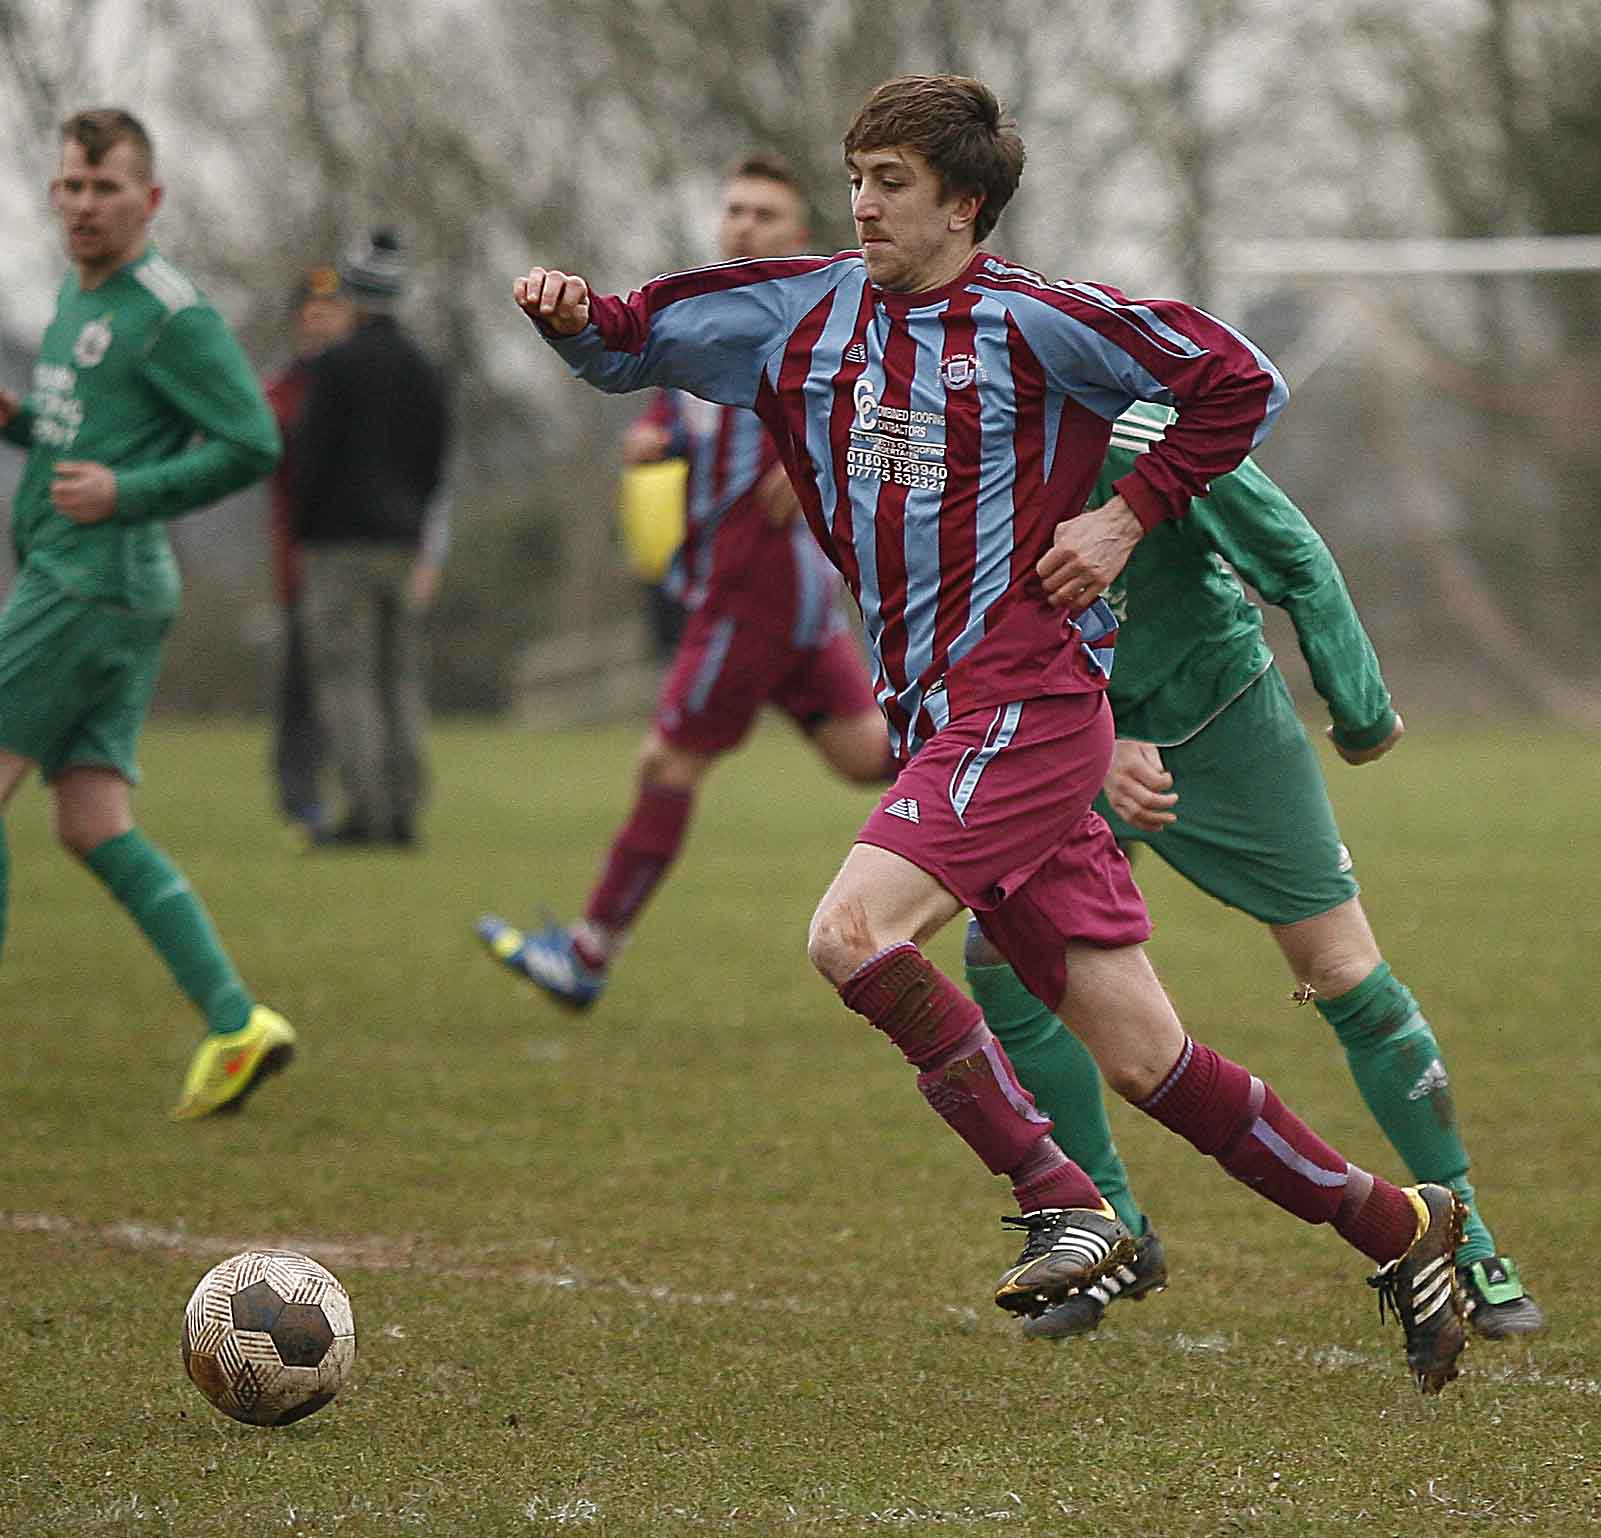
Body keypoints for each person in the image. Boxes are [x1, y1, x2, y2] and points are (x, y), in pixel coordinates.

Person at [511, 73, 1480, 1395]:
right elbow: (631, 339)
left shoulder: (1040, 320)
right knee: (1148, 1058)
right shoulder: (804, 311)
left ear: (965, 202)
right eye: (853, 176)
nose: (860, 205)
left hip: (1023, 702)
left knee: (848, 933)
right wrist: (569, 315)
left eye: (890, 182)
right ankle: (1400, 1222)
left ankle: (1059, 1197)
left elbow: (1233, 379)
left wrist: (1127, 514)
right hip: (946, 719)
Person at [963, 399, 1544, 1341]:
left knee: (1337, 967)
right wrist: (1100, 740)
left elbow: (1297, 561)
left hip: (1222, 716)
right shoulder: (951, 456)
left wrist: (1358, 712)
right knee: (1003, 956)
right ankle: (1110, 1227)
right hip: (1069, 730)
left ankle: (1462, 1231)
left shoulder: (1145, 438)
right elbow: (950, 625)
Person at [478, 156, 894, 1008]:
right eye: (733, 209)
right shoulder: (713, 324)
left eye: (763, 215)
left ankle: (587, 955)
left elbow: (880, 401)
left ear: (798, 237)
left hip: (755, 588)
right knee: (869, 756)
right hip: (786, 597)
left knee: (667, 762)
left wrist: (827, 455)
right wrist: (655, 442)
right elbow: (669, 399)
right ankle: (1045, 788)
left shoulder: (812, 325)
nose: (742, 225)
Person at [0, 108, 295, 1120]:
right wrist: (23, 424)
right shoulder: (79, 297)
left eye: (106, 188)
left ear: (151, 199)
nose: (84, 205)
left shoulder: (172, 312)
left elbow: (254, 441)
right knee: (90, 821)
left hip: (87, 581)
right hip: (97, 582)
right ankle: (234, 1021)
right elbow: (94, 430)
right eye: (71, 187)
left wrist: (126, 494)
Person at [293, 229, 452, 848]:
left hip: (339, 546)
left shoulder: (332, 368)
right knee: (401, 679)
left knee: (347, 680)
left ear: (355, 294)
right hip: (402, 543)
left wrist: (307, 525)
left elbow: (309, 459)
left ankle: (365, 810)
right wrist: (417, 526)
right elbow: (437, 460)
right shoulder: (425, 370)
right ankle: (405, 806)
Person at [262, 265, 353, 836]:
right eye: (311, 310)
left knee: (350, 685)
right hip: (301, 561)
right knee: (301, 684)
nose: (320, 319)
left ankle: (352, 790)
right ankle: (299, 793)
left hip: (355, 553)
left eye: (331, 309)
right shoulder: (282, 390)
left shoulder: (359, 383)